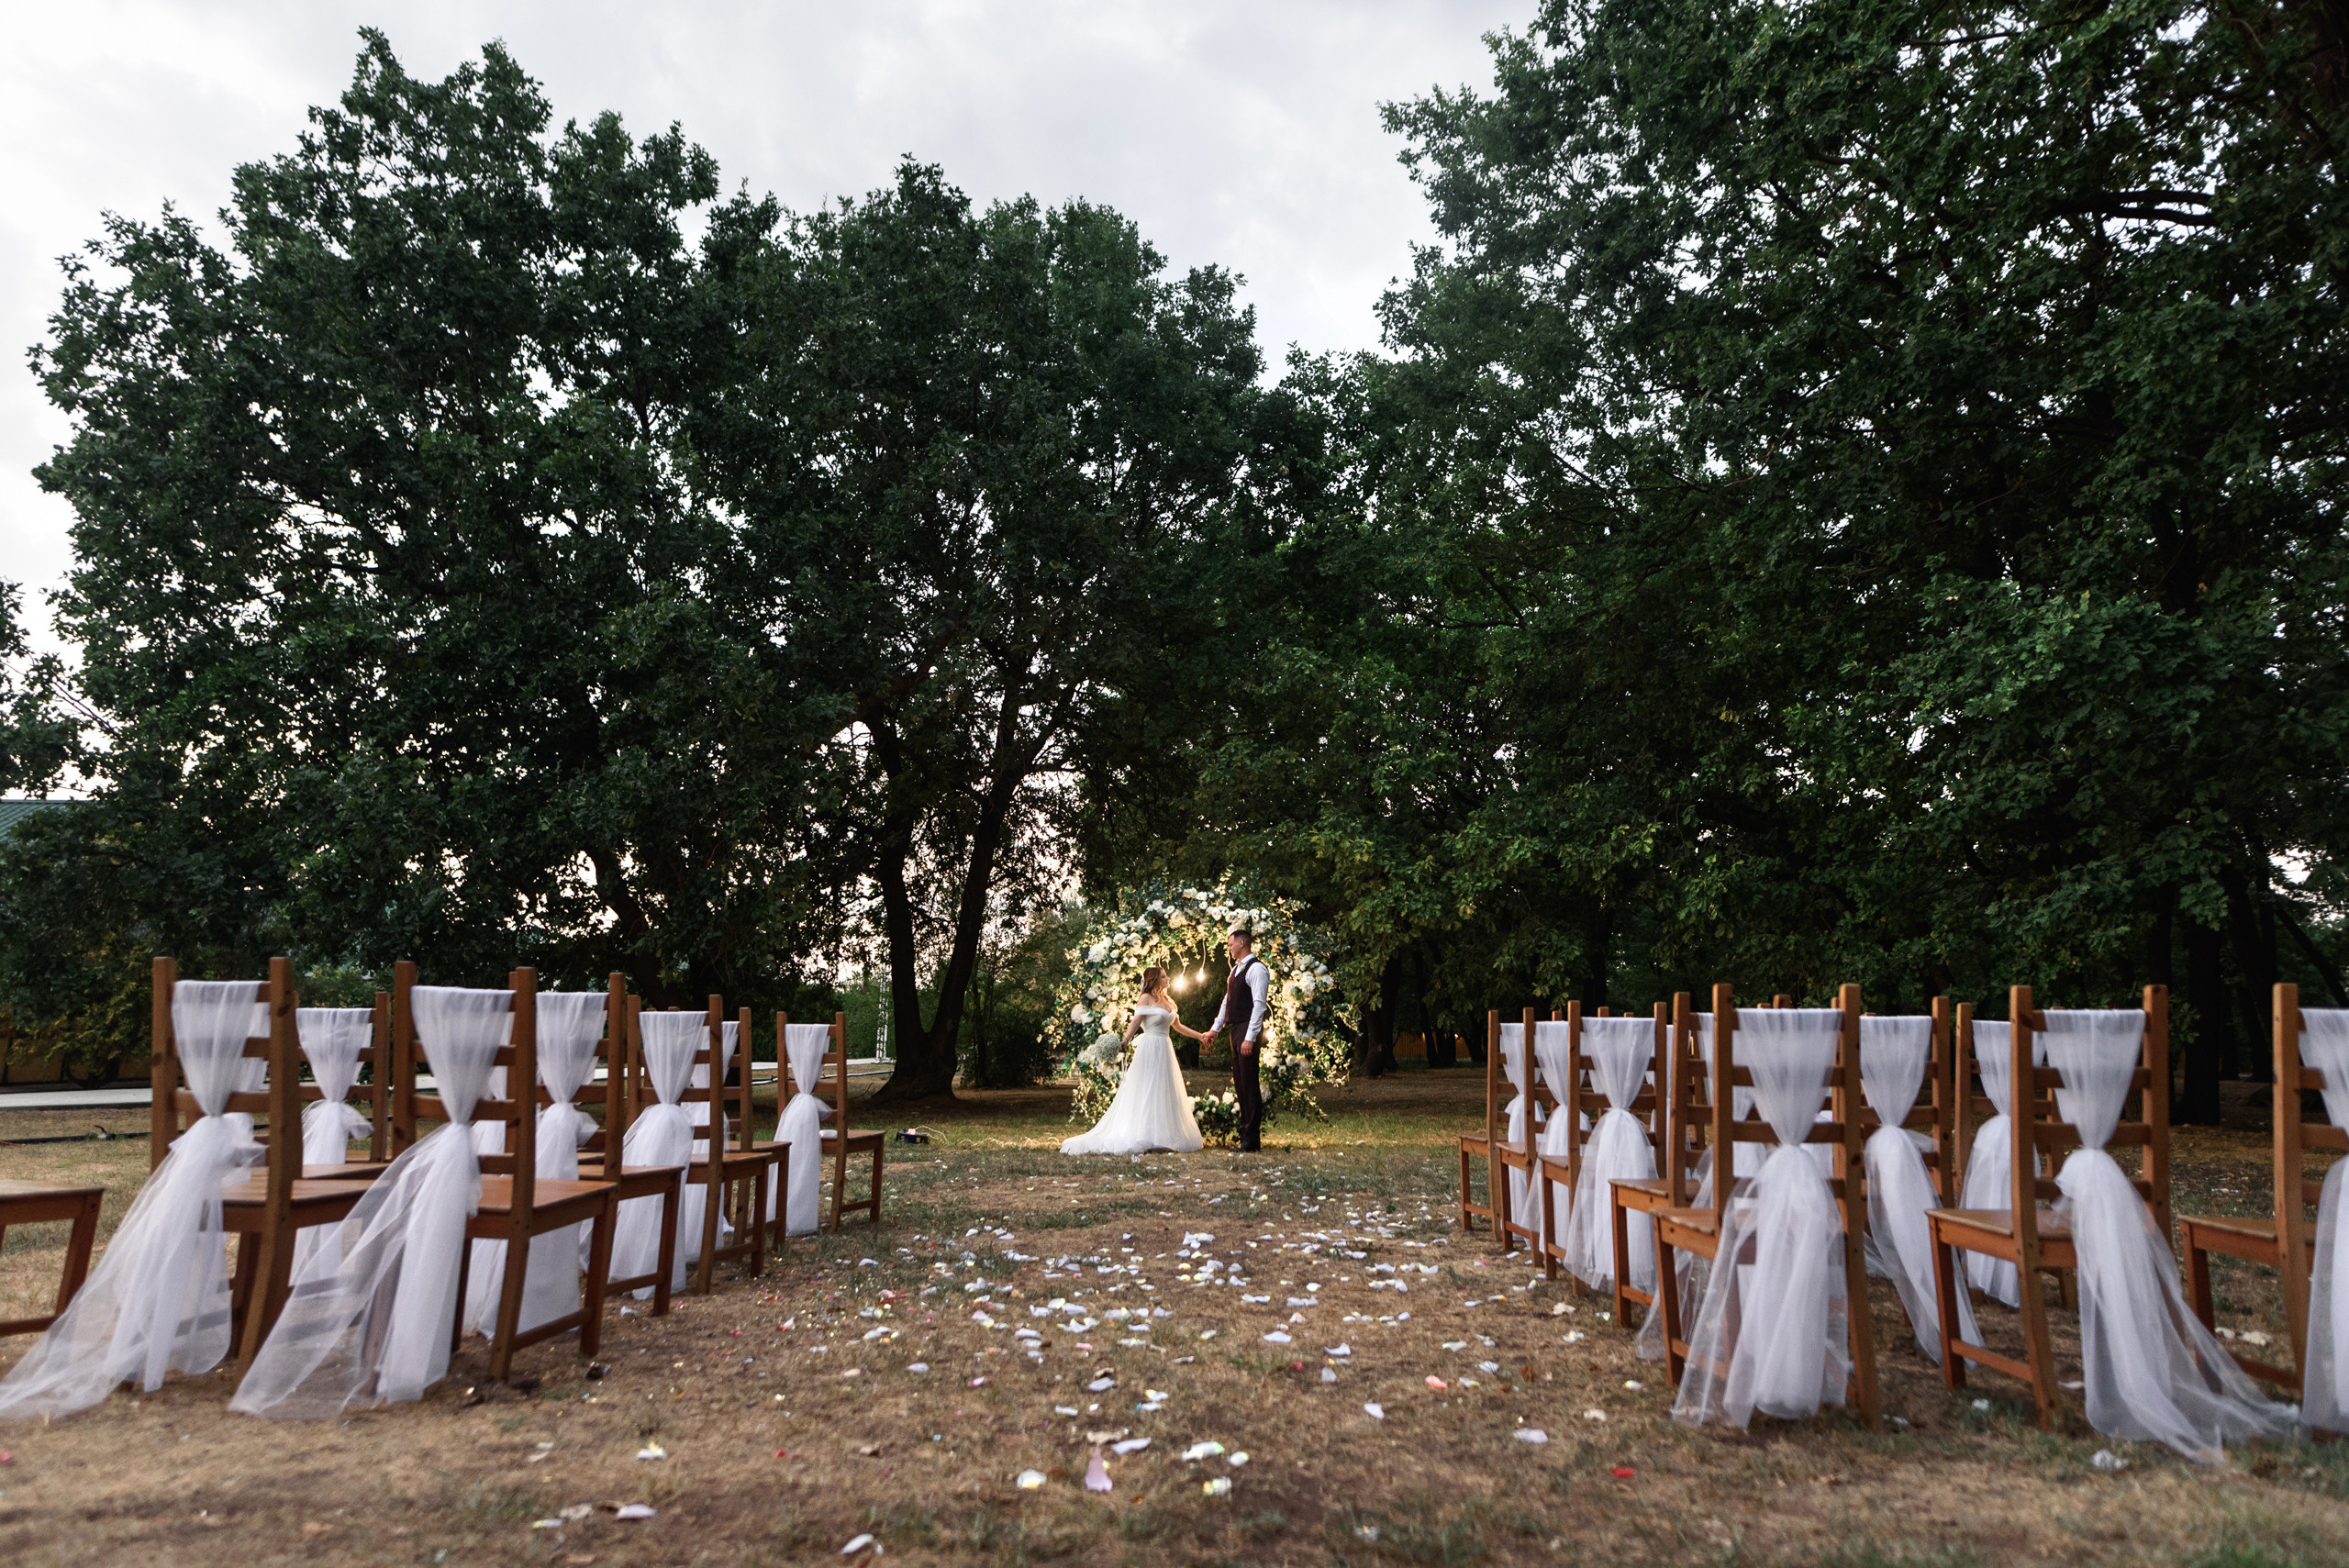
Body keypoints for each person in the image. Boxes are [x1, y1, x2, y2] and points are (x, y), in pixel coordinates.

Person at [1060, 965, 1207, 1155]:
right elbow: (1136, 1021)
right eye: (1164, 976)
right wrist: (1125, 1041)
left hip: (1165, 1047)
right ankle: (1145, 1134)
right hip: (1149, 1047)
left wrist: (1200, 1036)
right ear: (1154, 980)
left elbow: (1178, 1026)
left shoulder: (1169, 1000)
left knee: (1164, 1087)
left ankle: (1164, 1137)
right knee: (1147, 1088)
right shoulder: (1145, 998)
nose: (1168, 979)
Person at [1200, 927, 1270, 1152]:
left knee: (1249, 1083)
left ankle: (1252, 1140)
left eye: (1231, 944)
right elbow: (1227, 1002)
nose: (1229, 948)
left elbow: (1259, 1005)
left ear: (1242, 943)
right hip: (1235, 1029)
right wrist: (1215, 1029)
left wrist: (1250, 1038)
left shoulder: (1256, 969)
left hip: (1247, 1029)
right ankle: (1245, 1135)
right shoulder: (1234, 971)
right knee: (1240, 1083)